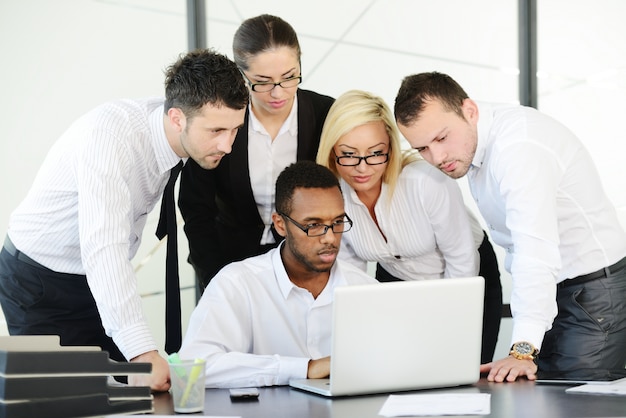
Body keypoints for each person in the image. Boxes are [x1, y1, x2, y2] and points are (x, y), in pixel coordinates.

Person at [0, 49, 249, 391]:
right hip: (41, 283)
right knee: (61, 399)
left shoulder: (174, 128)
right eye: (217, 130)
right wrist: (143, 352)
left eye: (235, 129)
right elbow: (104, 247)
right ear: (177, 118)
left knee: (129, 395)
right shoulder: (111, 139)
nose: (228, 144)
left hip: (94, 281)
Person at [394, 71, 626, 382]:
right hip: (555, 291)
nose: (437, 157)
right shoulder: (474, 148)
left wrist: (523, 349)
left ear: (470, 111)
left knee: (577, 403)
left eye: (441, 138)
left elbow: (535, 249)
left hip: (594, 291)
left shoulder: (518, 148)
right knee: (544, 398)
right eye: (422, 148)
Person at [316, 89, 502, 363]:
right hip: (397, 282)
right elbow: (351, 277)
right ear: (332, 151)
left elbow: (461, 259)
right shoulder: (334, 198)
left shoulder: (427, 181)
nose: (362, 167)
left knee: (461, 370)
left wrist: (447, 325)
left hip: (468, 277)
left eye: (376, 153)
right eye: (349, 154)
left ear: (390, 148)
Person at [178, 161, 378, 388]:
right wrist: (307, 368)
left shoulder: (365, 289)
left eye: (337, 222)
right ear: (280, 224)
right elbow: (193, 367)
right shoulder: (237, 284)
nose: (330, 238)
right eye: (313, 225)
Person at [178, 14, 334, 296]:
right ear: (241, 75)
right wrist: (215, 280)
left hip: (304, 265)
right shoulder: (218, 120)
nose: (279, 93)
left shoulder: (325, 115)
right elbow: (196, 208)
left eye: (289, 77)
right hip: (227, 262)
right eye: (262, 82)